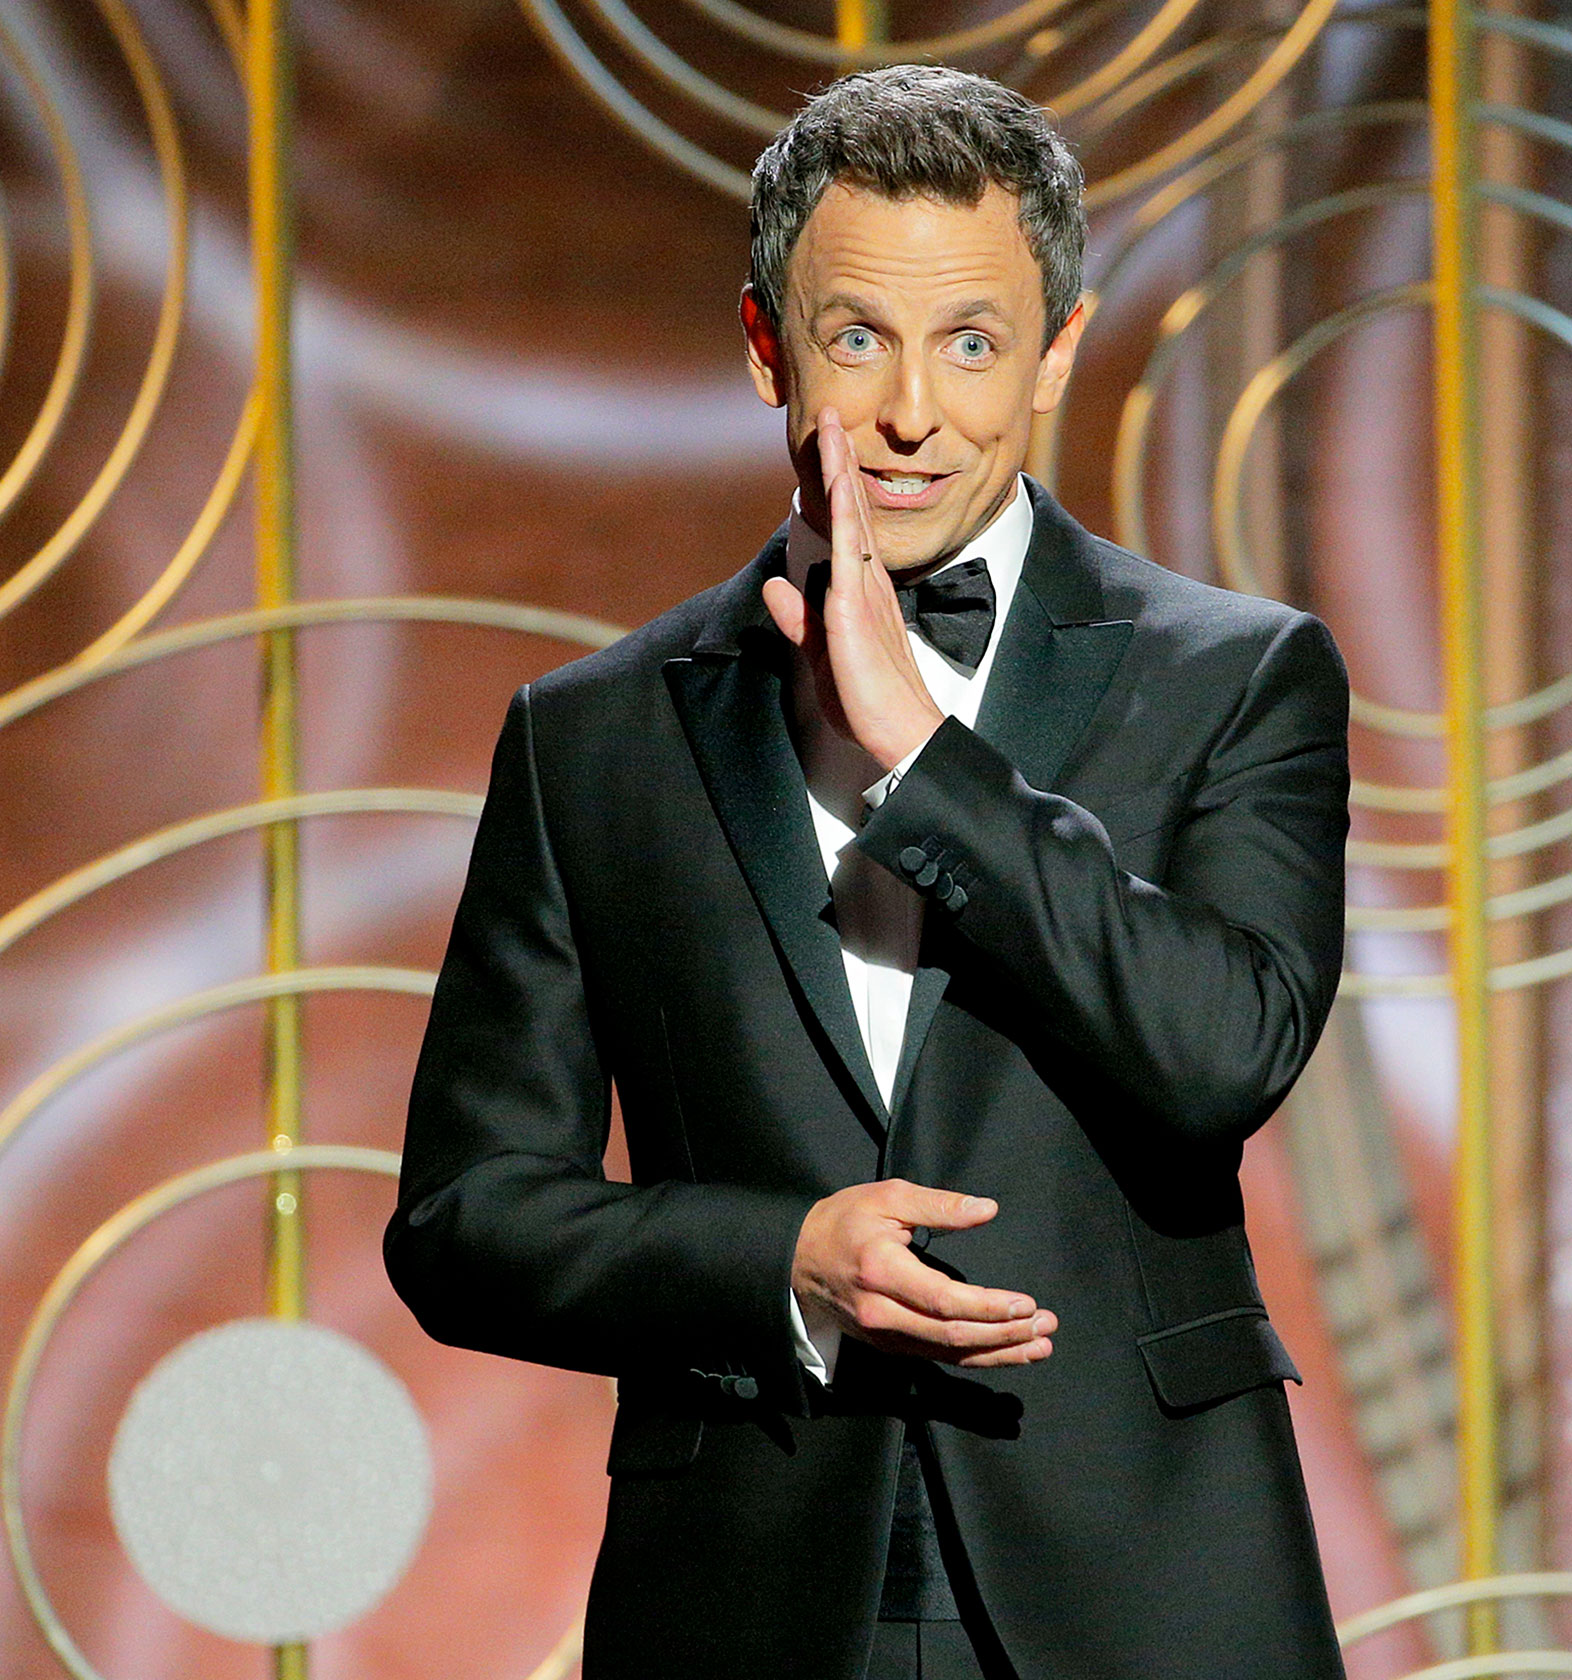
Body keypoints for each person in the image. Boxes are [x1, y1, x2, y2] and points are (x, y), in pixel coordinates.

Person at [386, 64, 1350, 1680]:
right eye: (857, 338)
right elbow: (468, 1218)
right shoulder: (597, 735)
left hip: (1146, 1586)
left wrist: (926, 763)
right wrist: (781, 1261)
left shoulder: (1235, 676)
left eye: (973, 342)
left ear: (1055, 353)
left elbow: (1224, 1053)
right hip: (749, 1582)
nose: (913, 412)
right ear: (766, 345)